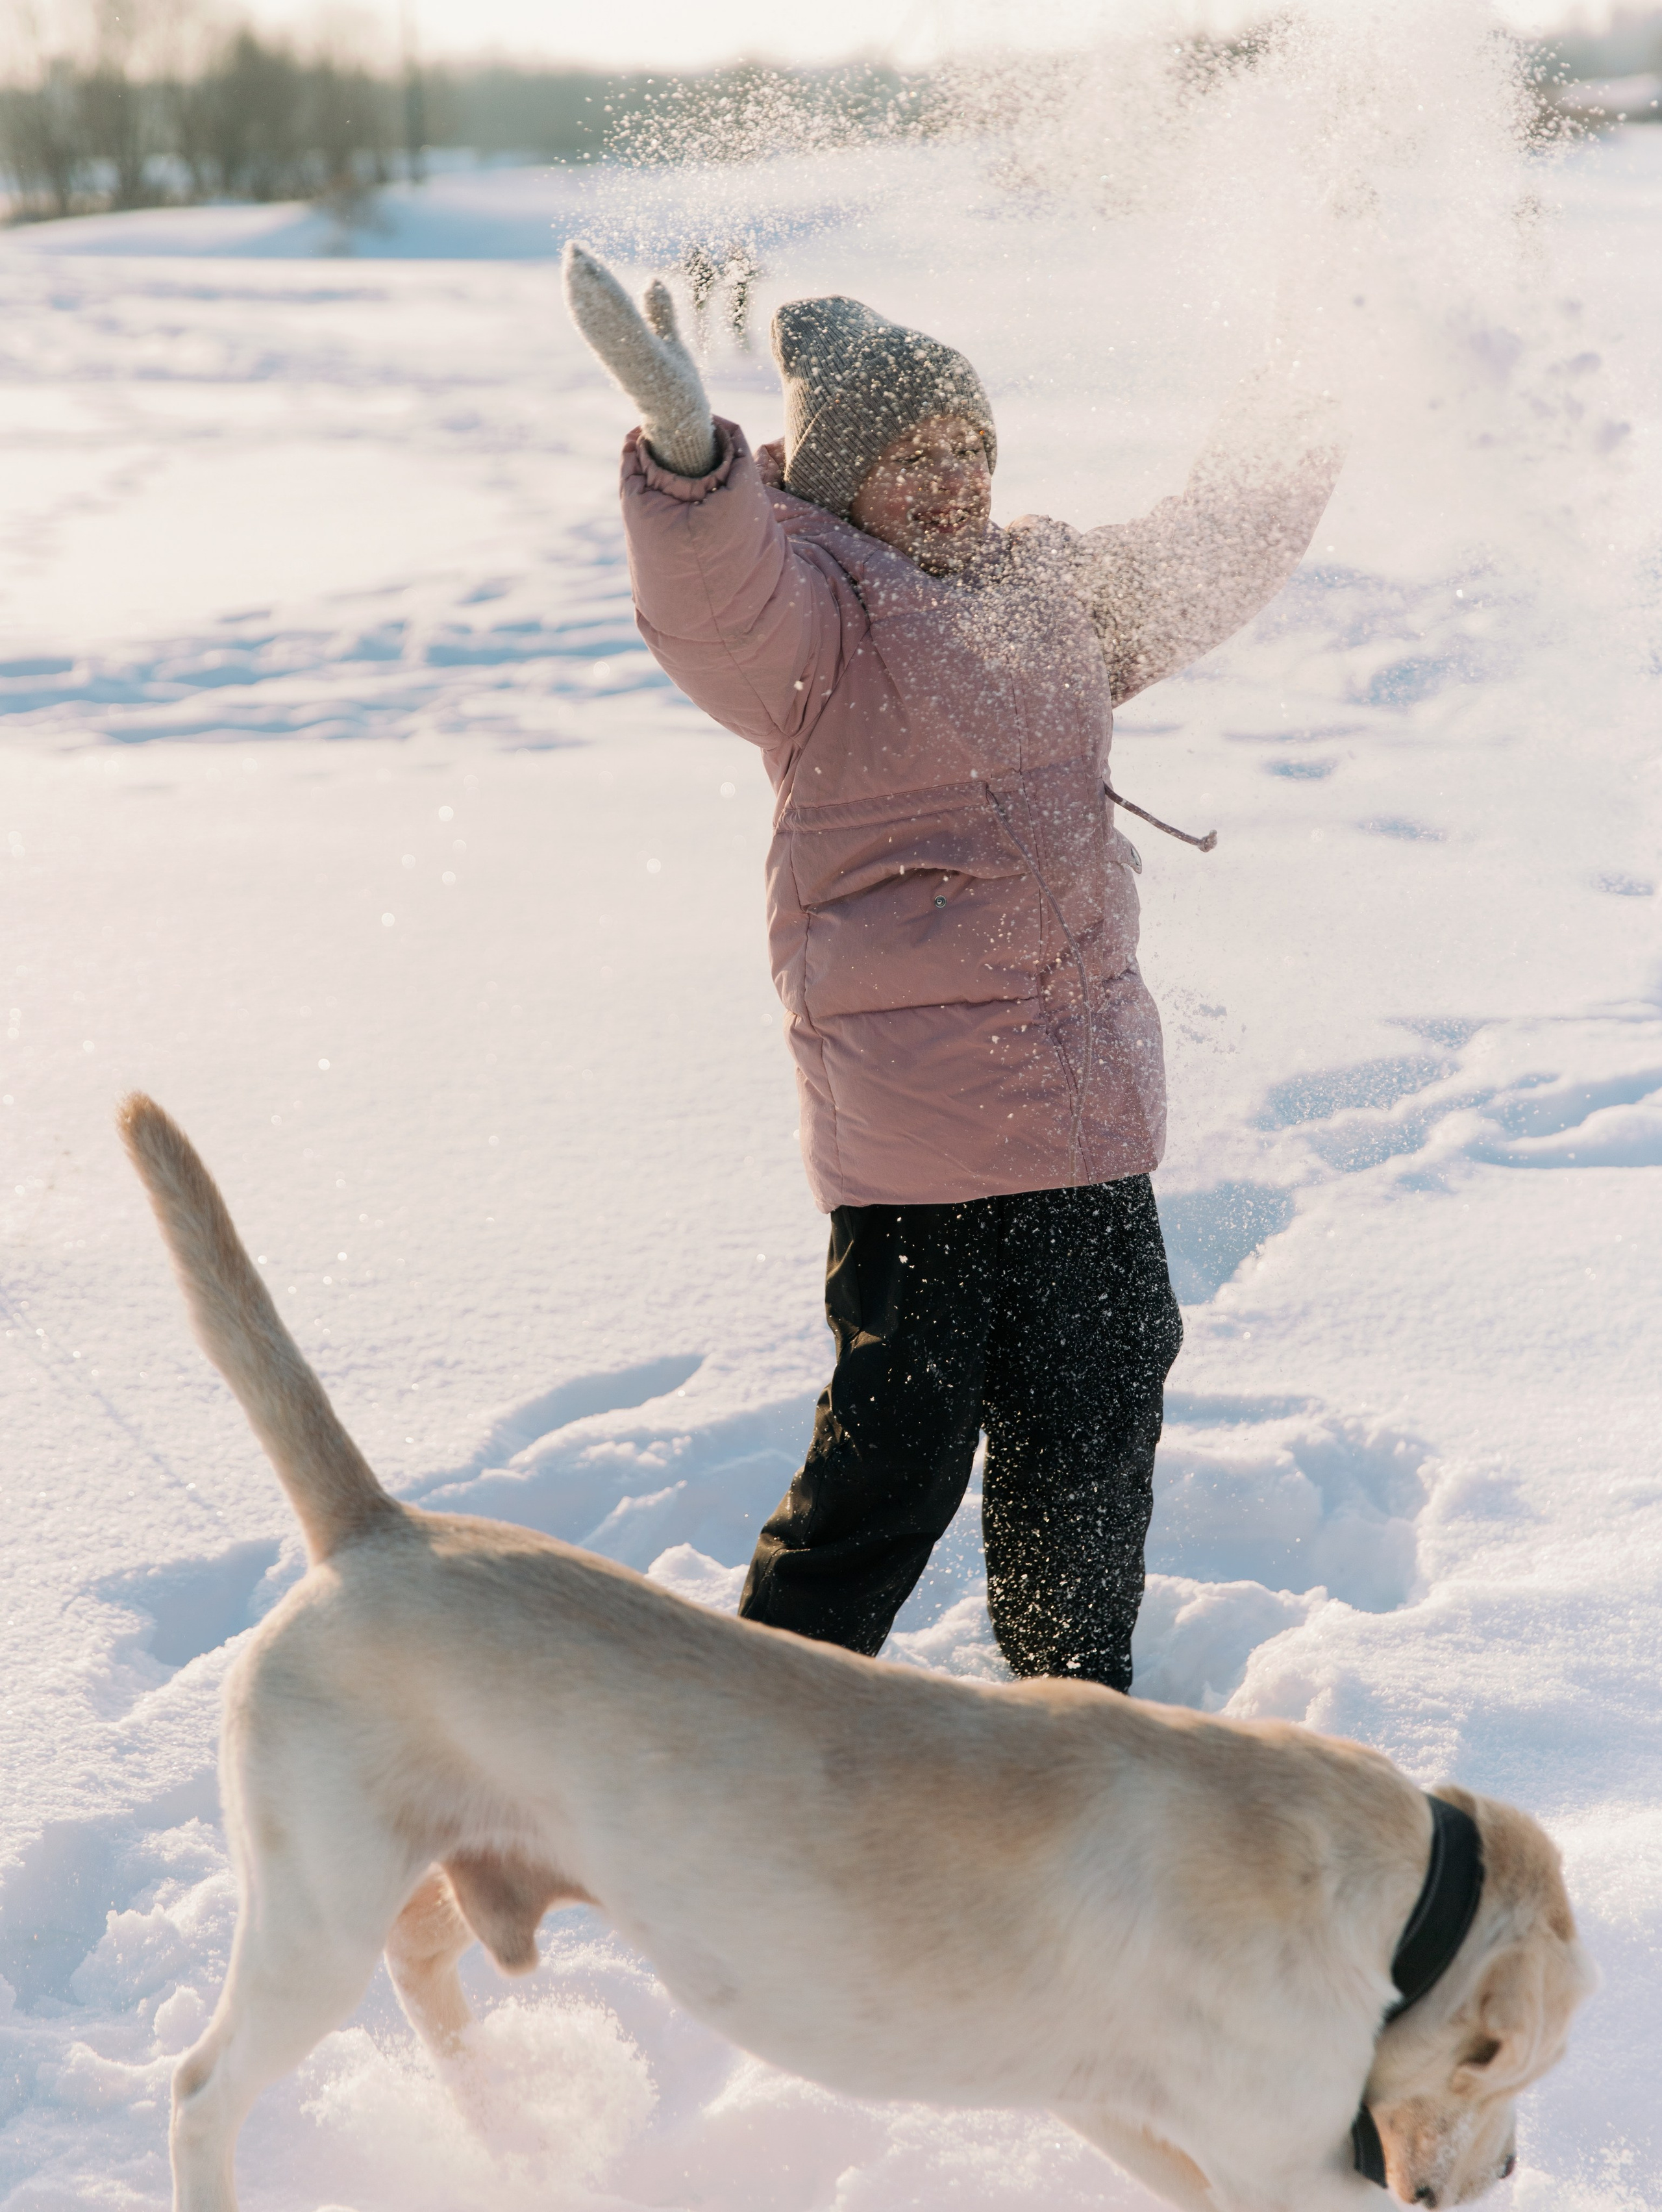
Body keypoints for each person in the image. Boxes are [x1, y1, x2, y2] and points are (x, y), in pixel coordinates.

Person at [564, 244, 1343, 1691]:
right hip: (917, 1138)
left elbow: (1203, 552)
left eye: (972, 448)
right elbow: (709, 599)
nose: (953, 479)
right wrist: (688, 464)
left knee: (1094, 1422)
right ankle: (761, 1733)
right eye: (914, 456)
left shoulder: (1041, 587)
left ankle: (1067, 1726)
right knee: (900, 1454)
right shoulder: (815, 617)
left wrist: (1308, 395)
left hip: (1085, 1117)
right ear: (841, 473)